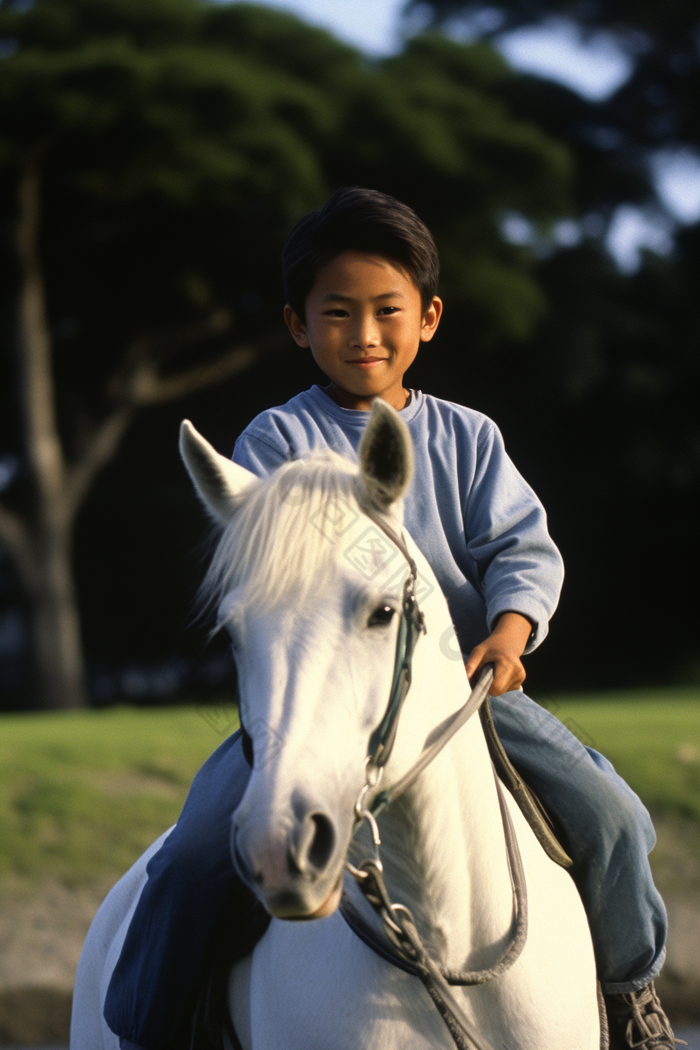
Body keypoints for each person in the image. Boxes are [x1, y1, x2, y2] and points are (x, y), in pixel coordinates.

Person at [105, 187, 678, 1050]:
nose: (364, 335)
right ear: (300, 325)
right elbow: (263, 580)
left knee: (613, 817)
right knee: (189, 860)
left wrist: (512, 633)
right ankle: (153, 1028)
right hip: (311, 702)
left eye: (386, 312)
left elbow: (523, 549)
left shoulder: (469, 440)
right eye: (338, 313)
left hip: (460, 695)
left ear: (429, 318)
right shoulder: (274, 443)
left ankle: (633, 1007)